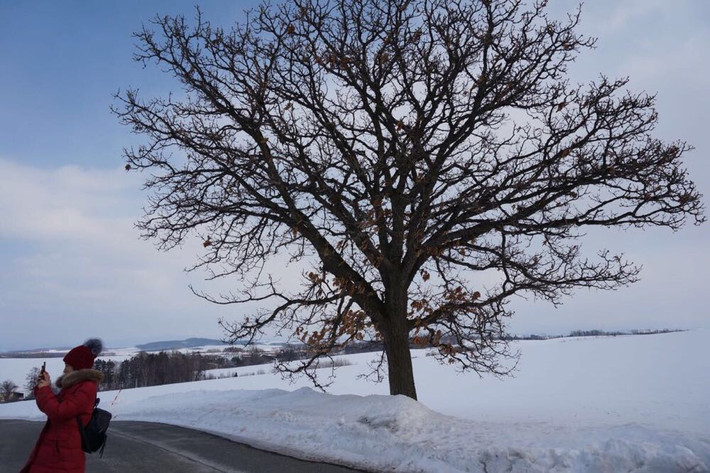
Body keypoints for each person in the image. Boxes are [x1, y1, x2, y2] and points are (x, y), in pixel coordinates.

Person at [20, 339, 104, 473]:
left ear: (77, 366)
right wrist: (41, 387)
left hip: (64, 456)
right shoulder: (73, 386)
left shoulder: (87, 387)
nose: (64, 370)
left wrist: (45, 389)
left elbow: (59, 412)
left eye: (67, 365)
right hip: (56, 451)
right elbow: (51, 406)